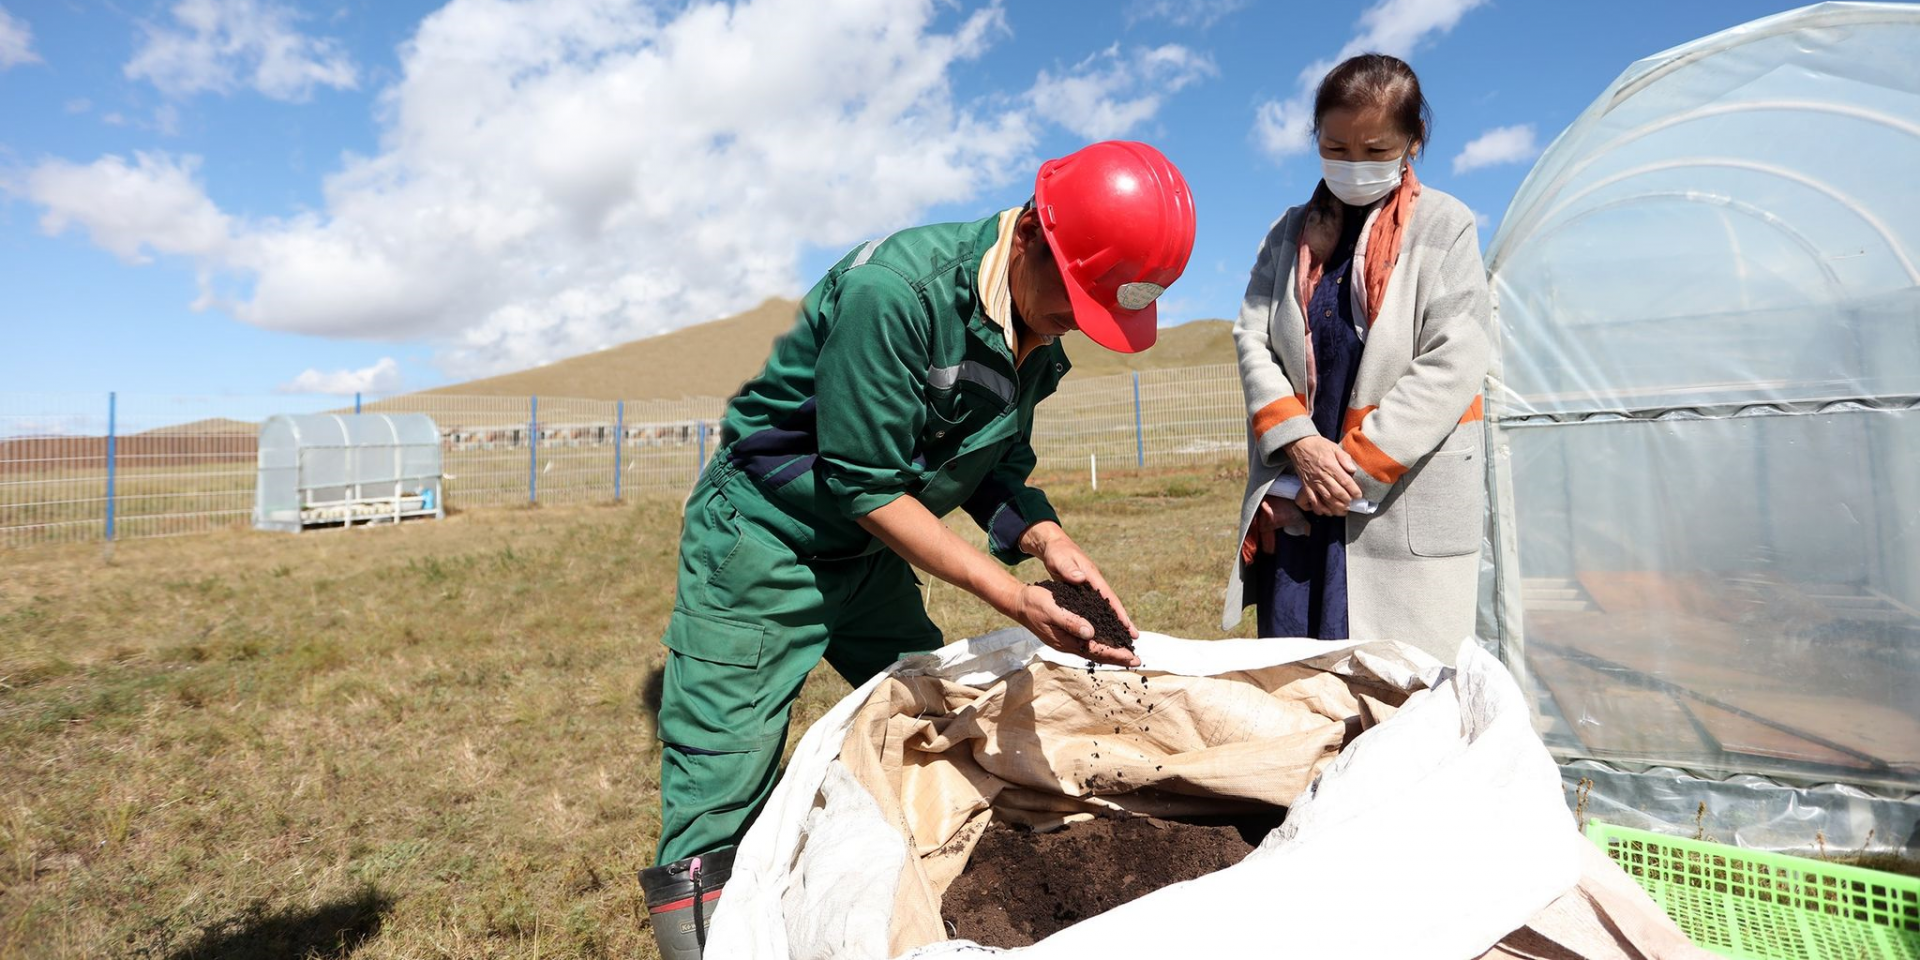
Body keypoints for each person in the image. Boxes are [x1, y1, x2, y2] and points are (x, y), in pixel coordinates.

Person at [640, 141, 1196, 959]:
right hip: (766, 536)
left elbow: (992, 461)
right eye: (1078, 299)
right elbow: (866, 484)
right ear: (1035, 235)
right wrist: (1013, 600)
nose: (1078, 322)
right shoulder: (895, 294)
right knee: (723, 772)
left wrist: (1048, 539)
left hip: (868, 555)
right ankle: (707, 933)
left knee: (931, 716)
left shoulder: (1036, 323)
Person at [1223, 54, 1492, 652]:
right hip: (1299, 493)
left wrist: (1352, 471)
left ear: (1411, 143)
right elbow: (1253, 337)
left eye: (1375, 151)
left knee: (1395, 688)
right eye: (1336, 147)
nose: (1354, 164)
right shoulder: (1287, 234)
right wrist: (1299, 444)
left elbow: (1454, 357)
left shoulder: (1445, 227)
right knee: (1299, 676)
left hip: (1390, 494)